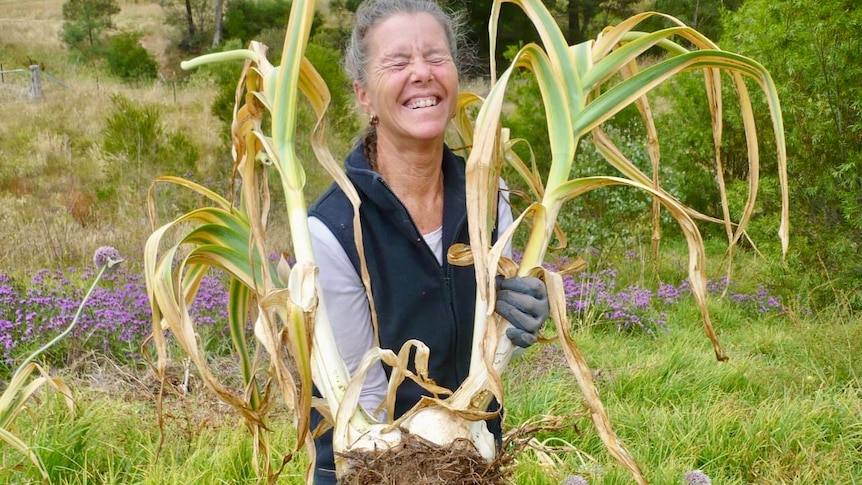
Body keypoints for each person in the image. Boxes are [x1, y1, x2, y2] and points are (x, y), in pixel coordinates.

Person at [307, 1, 550, 482]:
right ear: (364, 96)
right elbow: (366, 403)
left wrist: (514, 325)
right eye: (397, 63)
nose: (421, 73)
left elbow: (483, 353)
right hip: (370, 466)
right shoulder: (332, 228)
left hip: (472, 459)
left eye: (436, 58)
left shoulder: (487, 196)